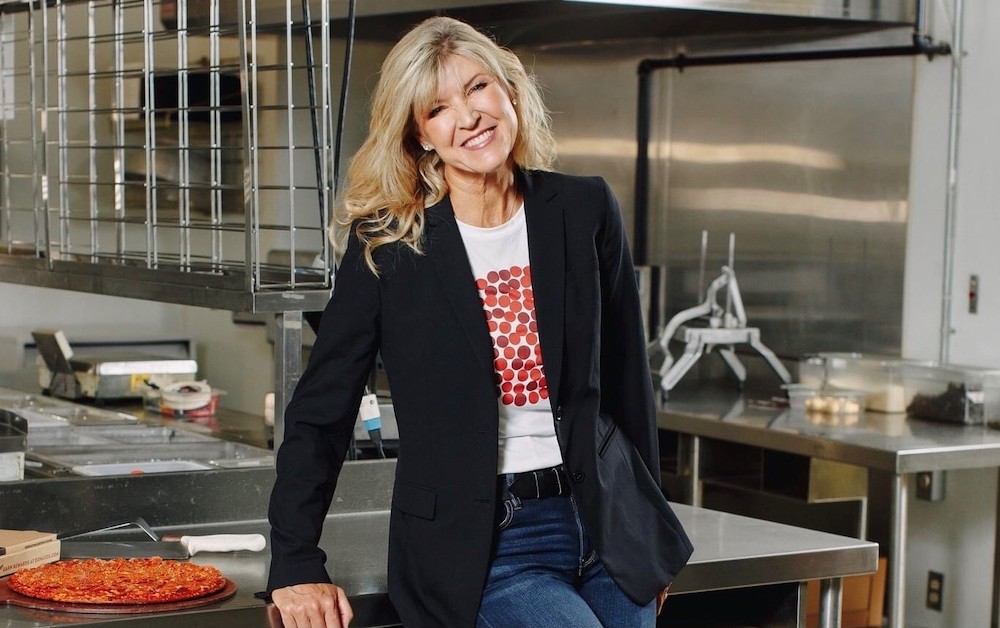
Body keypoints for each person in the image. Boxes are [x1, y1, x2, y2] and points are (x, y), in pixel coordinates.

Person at [266, 15, 693, 628]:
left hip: (605, 525)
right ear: (419, 137)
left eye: (478, 88)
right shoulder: (389, 247)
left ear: (509, 92)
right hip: (489, 545)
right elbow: (320, 414)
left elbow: (629, 381)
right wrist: (296, 562)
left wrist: (648, 534)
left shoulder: (583, 207)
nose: (468, 116)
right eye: (438, 109)